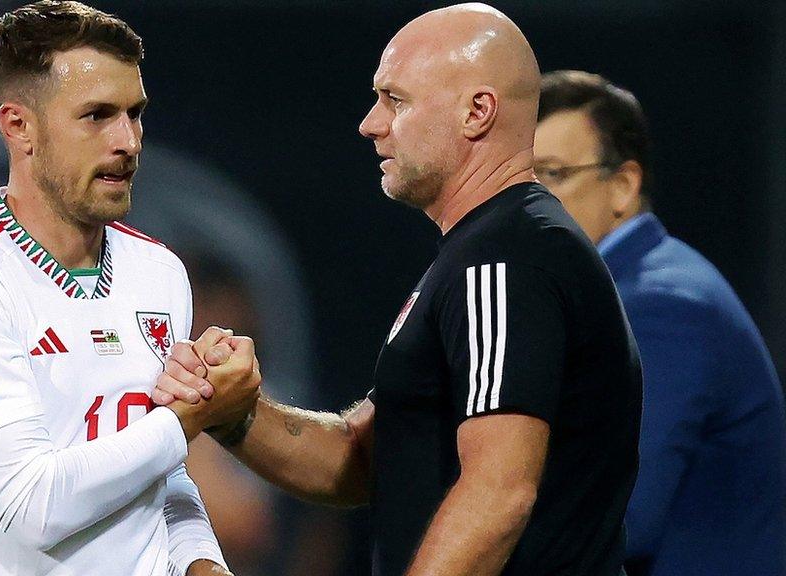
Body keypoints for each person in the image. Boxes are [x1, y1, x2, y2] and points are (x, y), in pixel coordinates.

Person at [154, 4, 642, 576]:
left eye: (396, 100)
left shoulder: (507, 258)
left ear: (477, 112)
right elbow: (359, 459)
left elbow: (498, 493)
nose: (371, 123)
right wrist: (235, 413)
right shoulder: (480, 257)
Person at [0, 2, 259, 575]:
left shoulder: (158, 273)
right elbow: (28, 504)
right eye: (97, 115)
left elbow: (162, 475)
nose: (128, 140)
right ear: (18, 126)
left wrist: (203, 564)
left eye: (135, 113)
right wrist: (188, 419)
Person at [534, 70, 786, 576]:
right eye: (520, 180)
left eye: (553, 175)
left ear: (623, 186)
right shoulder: (630, 289)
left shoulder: (659, 304)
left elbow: (620, 521)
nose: (528, 201)